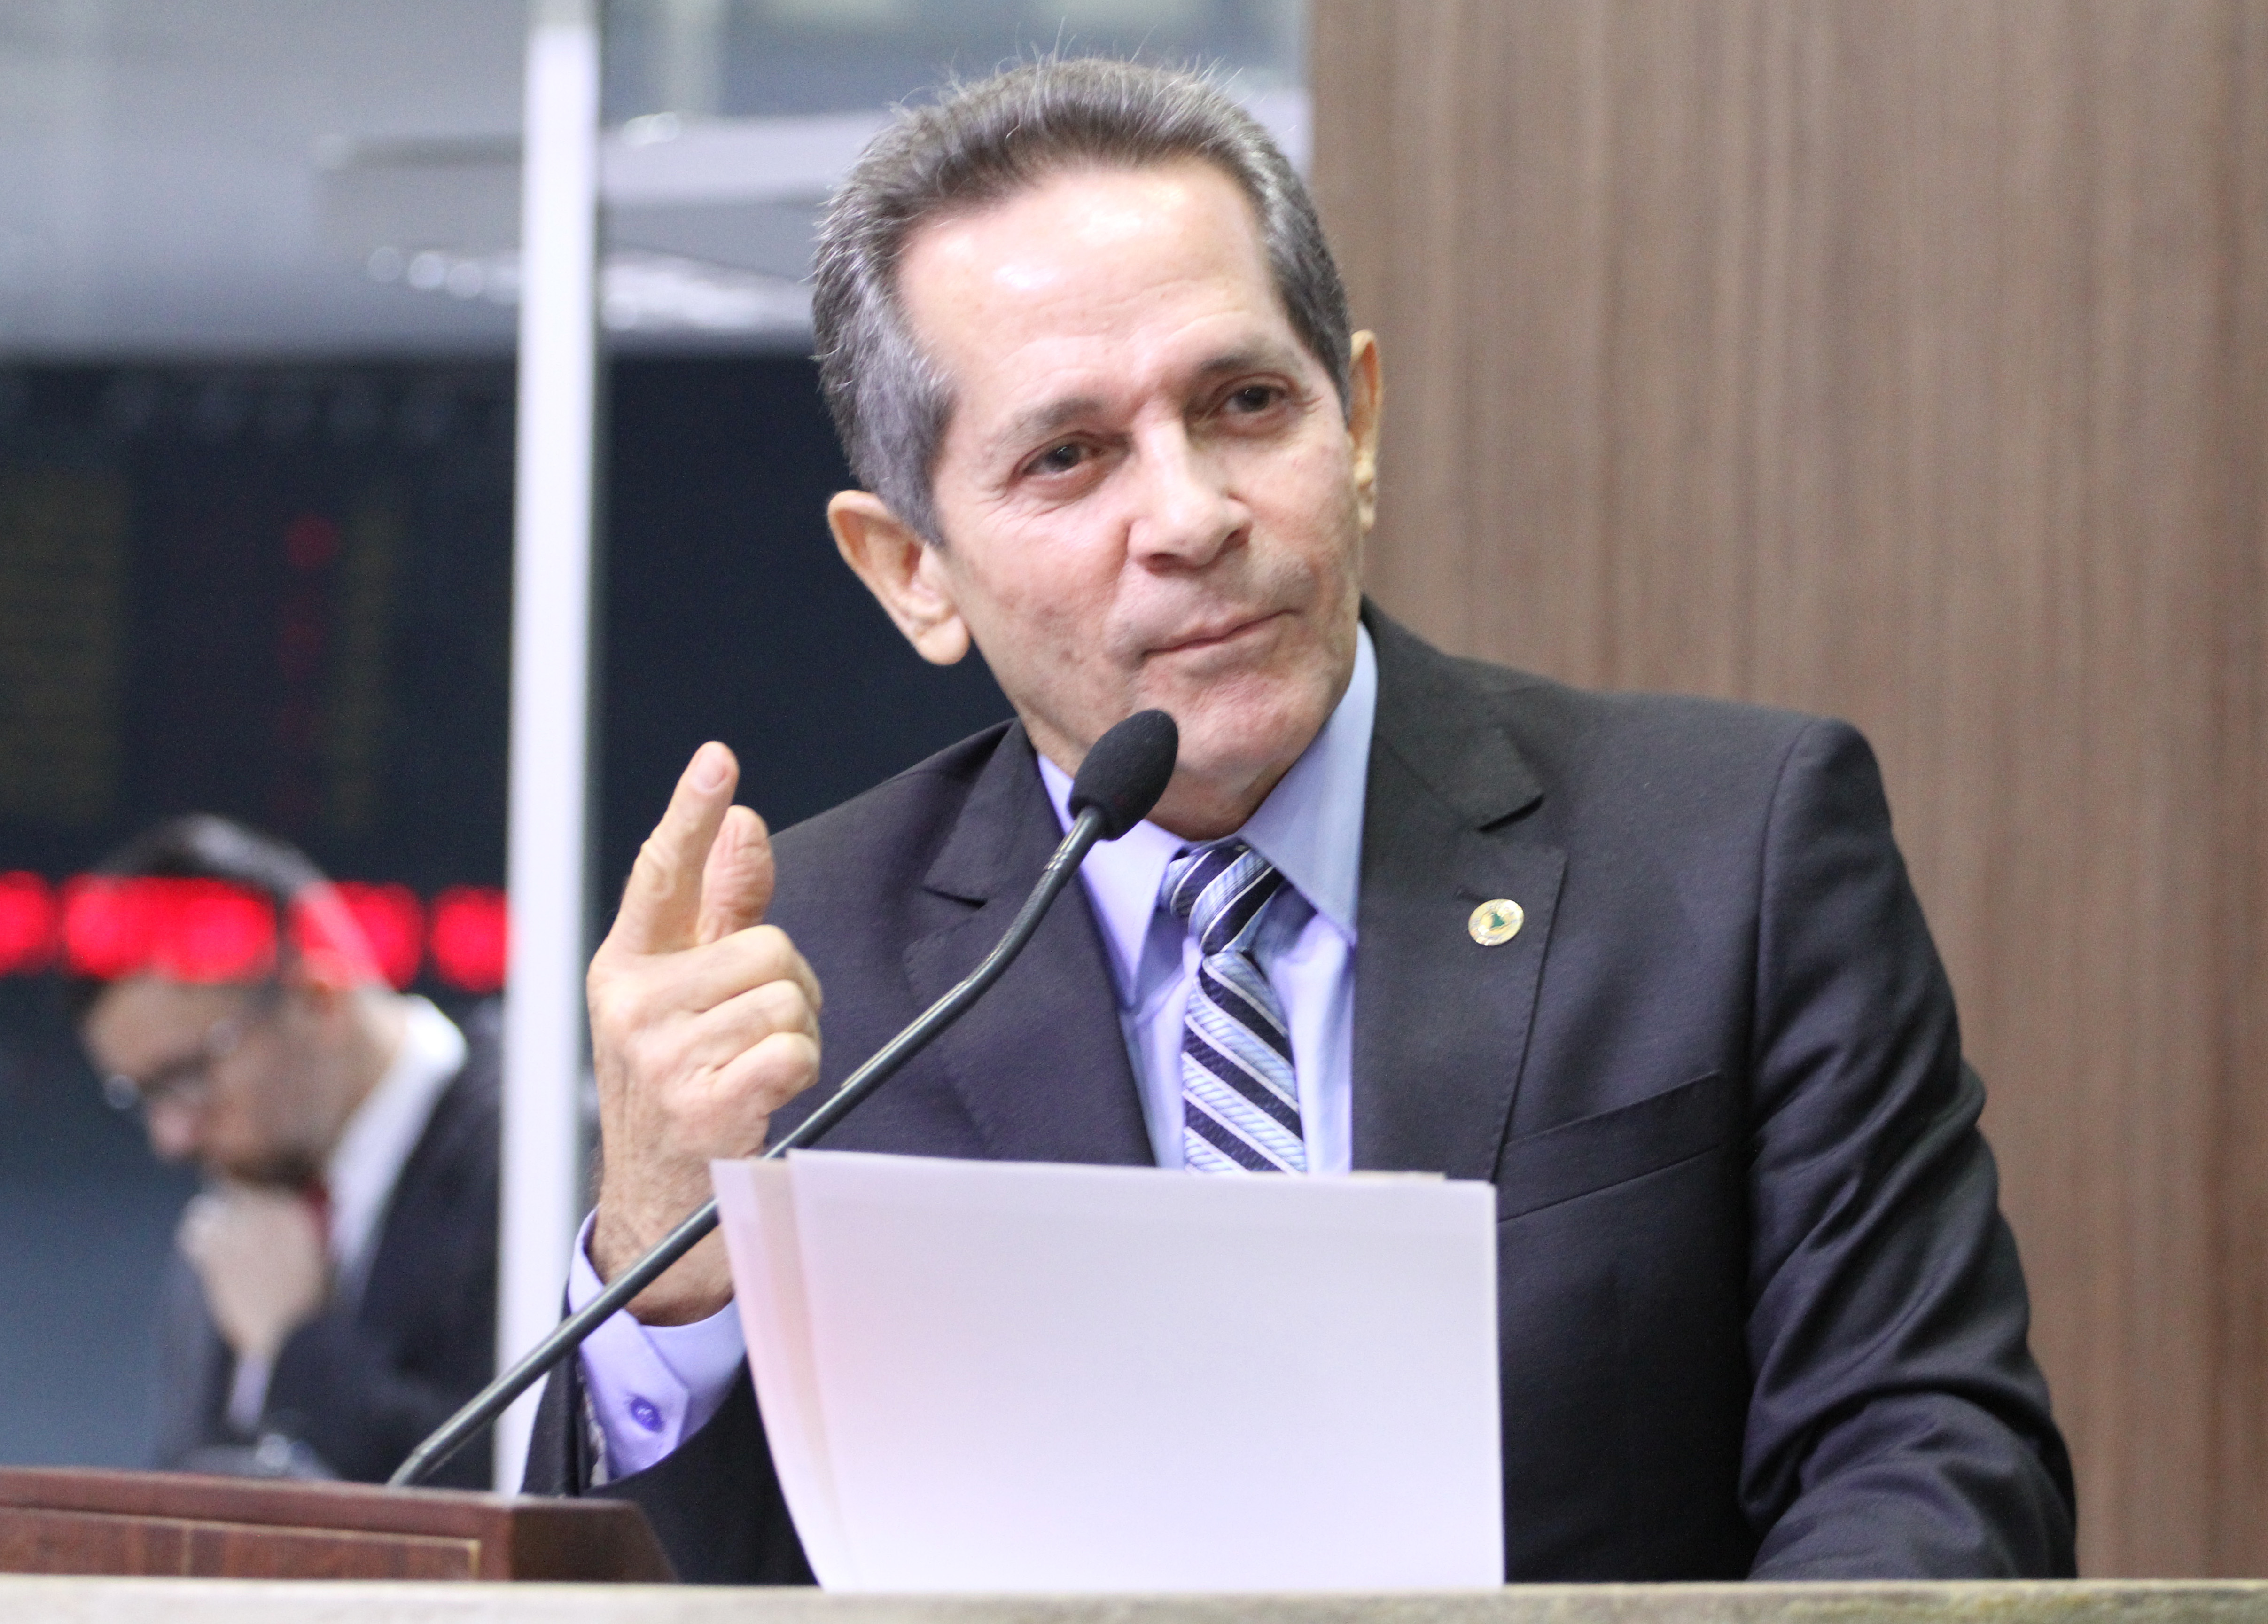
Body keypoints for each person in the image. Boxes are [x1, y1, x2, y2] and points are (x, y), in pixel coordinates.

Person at [525, 58, 2075, 1580]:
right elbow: (649, 1580)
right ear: (910, 569)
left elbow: (1928, 1453)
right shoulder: (808, 974)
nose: (1192, 516)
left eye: (1247, 403)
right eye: (1069, 456)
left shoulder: (1729, 853)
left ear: (1361, 424)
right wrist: (662, 1256)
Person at [68, 815, 498, 1486]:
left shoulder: (543, 1164)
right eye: (141, 1096)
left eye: (186, 1076)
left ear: (318, 1000)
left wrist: (297, 1349)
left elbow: (535, 1490)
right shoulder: (233, 1222)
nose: (170, 1138)